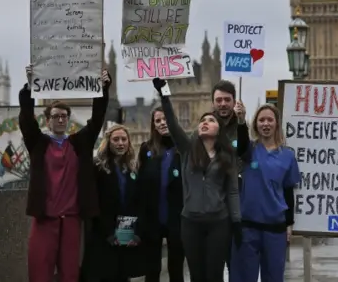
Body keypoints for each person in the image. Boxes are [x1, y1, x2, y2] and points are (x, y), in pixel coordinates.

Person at [19, 65, 111, 282]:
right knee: (39, 271)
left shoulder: (79, 143)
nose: (61, 120)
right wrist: (29, 87)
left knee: (70, 274)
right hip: (44, 219)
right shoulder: (38, 143)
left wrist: (104, 87)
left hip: (71, 220)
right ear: (48, 120)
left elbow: (97, 118)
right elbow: (26, 119)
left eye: (64, 116)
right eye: (56, 116)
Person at [153, 77, 242, 282]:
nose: (205, 123)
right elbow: (173, 125)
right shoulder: (187, 150)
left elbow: (232, 191)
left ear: (219, 129)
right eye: (202, 120)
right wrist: (164, 93)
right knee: (196, 276)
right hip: (191, 222)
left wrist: (236, 221)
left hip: (219, 222)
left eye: (210, 121)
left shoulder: (227, 156)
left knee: (214, 275)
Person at [229, 104, 300, 282]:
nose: (265, 124)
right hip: (247, 227)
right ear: (255, 125)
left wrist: (289, 223)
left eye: (270, 120)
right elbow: (241, 142)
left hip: (275, 228)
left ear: (276, 124)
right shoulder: (248, 150)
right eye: (261, 120)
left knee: (274, 277)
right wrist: (240, 120)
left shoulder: (288, 155)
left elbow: (288, 190)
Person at [82, 124, 144, 282]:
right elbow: (93, 202)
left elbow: (136, 202)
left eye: (124, 139)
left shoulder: (132, 168)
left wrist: (134, 232)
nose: (121, 143)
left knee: (122, 276)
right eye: (116, 139)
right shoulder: (98, 167)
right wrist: (109, 232)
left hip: (125, 234)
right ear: (108, 142)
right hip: (102, 235)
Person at [136, 106, 185, 282]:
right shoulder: (146, 148)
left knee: (176, 268)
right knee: (152, 269)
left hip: (177, 217)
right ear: (153, 125)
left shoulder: (183, 149)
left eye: (166, 119)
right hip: (152, 218)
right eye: (158, 120)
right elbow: (140, 185)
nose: (163, 123)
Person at [210, 79, 249, 276]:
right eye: (219, 100)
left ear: (234, 101)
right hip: (212, 204)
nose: (223, 104)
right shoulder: (206, 126)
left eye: (227, 99)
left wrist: (242, 122)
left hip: (237, 202)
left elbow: (246, 154)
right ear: (213, 102)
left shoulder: (241, 127)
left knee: (237, 264)